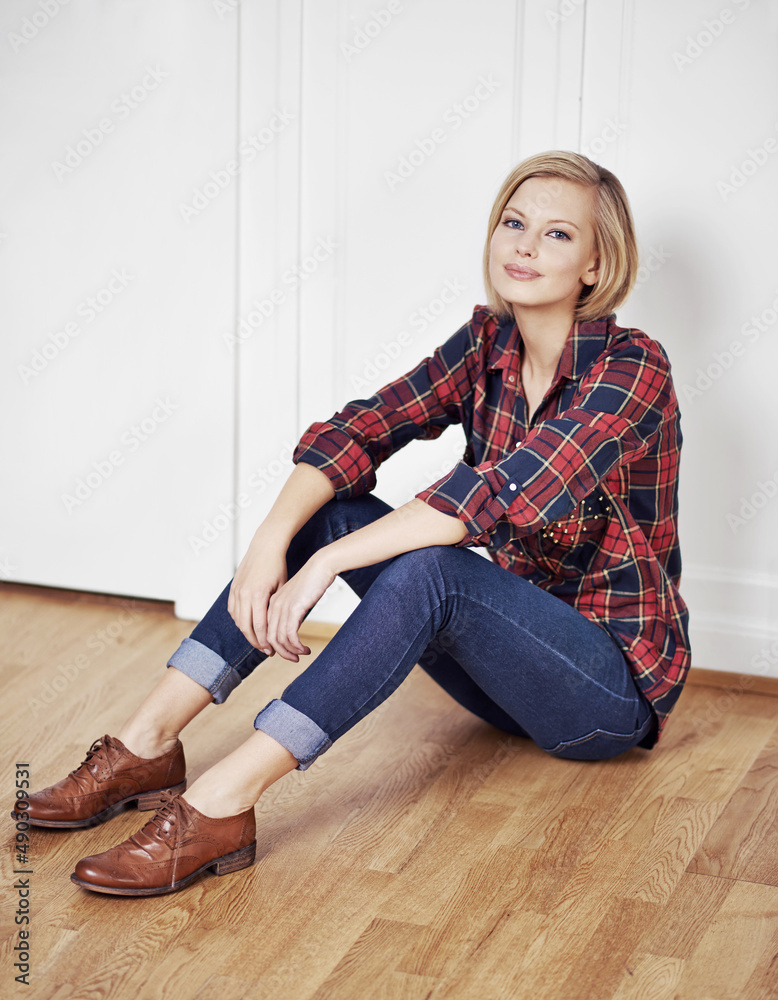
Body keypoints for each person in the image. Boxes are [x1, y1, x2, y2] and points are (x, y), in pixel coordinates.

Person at [15, 150, 691, 897]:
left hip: (600, 696)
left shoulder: (634, 371)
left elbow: (489, 498)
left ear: (597, 265)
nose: (525, 246)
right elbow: (359, 431)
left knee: (433, 569)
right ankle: (143, 747)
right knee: (329, 509)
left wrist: (323, 568)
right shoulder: (485, 346)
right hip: (503, 681)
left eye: (558, 235)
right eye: (514, 222)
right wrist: (271, 545)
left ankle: (219, 804)